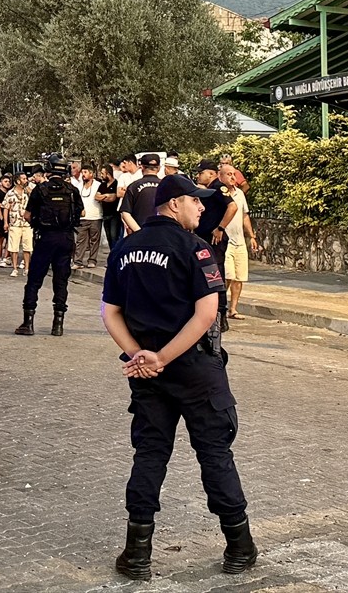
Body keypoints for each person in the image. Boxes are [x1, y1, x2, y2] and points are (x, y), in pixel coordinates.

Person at [100, 173, 257, 580]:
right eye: (196, 201)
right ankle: (239, 548)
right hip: (193, 369)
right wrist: (163, 358)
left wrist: (141, 357)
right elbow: (206, 315)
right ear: (173, 204)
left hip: (148, 372)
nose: (203, 208)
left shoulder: (123, 248)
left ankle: (137, 555)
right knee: (215, 454)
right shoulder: (196, 250)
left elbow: (110, 313)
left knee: (150, 454)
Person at [15, 154, 82, 337]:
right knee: (61, 281)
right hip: (66, 238)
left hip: (45, 238)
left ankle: (28, 323)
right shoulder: (71, 190)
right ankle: (57, 324)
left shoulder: (40, 189)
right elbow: (81, 212)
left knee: (34, 280)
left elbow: (27, 215)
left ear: (49, 168)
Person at [194, 160, 239, 331]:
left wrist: (220, 228)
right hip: (204, 238)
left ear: (211, 173)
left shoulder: (219, 187)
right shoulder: (209, 190)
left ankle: (220, 316)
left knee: (215, 276)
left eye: (201, 172)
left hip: (215, 240)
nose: (198, 176)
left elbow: (232, 207)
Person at [222, 167, 257, 321]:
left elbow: (244, 215)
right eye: (228, 174)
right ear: (220, 176)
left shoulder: (240, 194)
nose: (232, 177)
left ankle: (233, 309)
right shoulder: (220, 194)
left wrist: (252, 236)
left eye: (233, 174)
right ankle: (220, 305)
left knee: (239, 277)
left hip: (239, 240)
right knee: (228, 275)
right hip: (226, 240)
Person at [121, 154, 163, 236]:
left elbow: (125, 212)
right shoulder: (167, 185)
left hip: (139, 235)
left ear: (142, 167)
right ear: (158, 168)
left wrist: (139, 232)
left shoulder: (133, 186)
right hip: (162, 234)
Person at [73, 164, 103, 269]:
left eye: (85, 172)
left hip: (96, 217)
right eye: (82, 172)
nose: (83, 175)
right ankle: (78, 261)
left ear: (91, 174)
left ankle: (92, 260)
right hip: (82, 218)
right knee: (80, 240)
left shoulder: (98, 185)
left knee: (94, 240)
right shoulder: (78, 186)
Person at [5, 173, 34, 278]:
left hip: (27, 223)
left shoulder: (28, 192)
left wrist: (31, 193)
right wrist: (5, 222)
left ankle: (26, 268)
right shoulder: (10, 193)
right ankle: (15, 268)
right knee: (14, 247)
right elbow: (6, 207)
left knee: (27, 247)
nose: (26, 180)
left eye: (26, 178)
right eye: (23, 179)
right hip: (15, 223)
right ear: (17, 181)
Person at [97, 165, 121, 250]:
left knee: (114, 236)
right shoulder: (102, 185)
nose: (101, 175)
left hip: (114, 215)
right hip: (105, 215)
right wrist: (106, 196)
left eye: (103, 173)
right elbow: (96, 197)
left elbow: (114, 197)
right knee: (109, 238)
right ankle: (112, 254)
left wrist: (103, 197)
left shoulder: (116, 184)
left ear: (108, 173)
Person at [0, 174, 12, 267]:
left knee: (9, 238)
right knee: (1, 237)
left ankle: (6, 257)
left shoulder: (10, 193)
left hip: (10, 217)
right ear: (1, 182)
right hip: (1, 218)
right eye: (5, 181)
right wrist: (2, 219)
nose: (7, 183)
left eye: (8, 181)